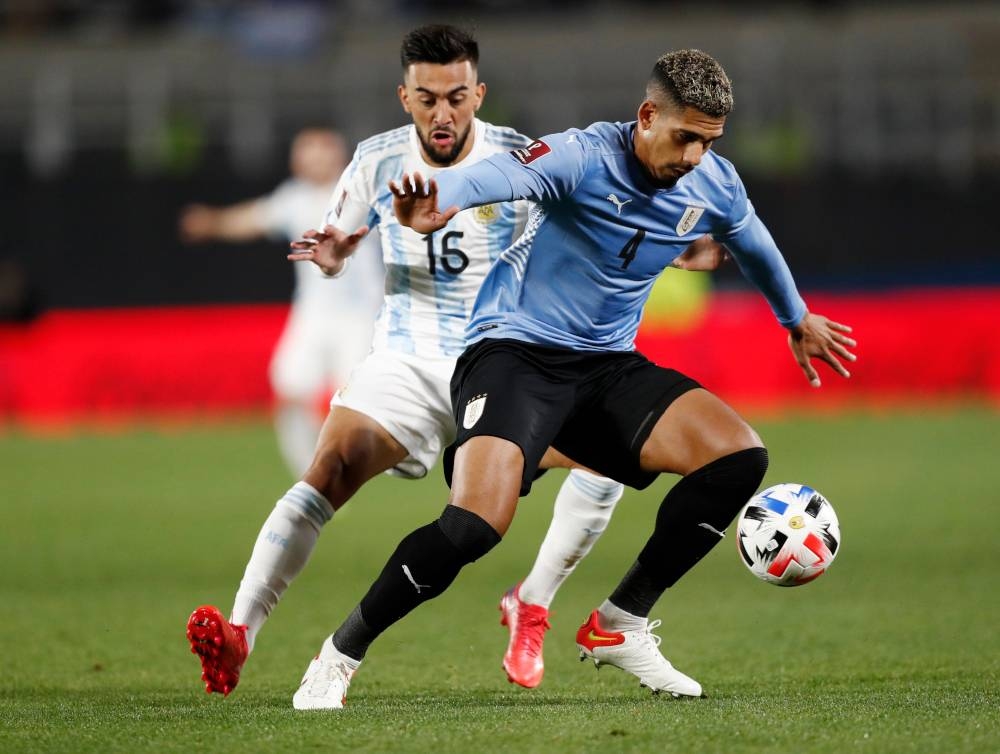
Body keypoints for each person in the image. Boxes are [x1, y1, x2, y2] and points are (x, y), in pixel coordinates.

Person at [289, 48, 858, 710]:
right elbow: (496, 176)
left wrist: (795, 318)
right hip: (513, 355)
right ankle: (339, 655)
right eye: (685, 138)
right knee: (474, 526)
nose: (696, 156)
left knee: (738, 457)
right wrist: (436, 203)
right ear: (647, 116)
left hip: (606, 367)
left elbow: (753, 241)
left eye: (708, 141)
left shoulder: (713, 182)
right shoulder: (580, 157)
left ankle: (621, 624)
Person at [185, 26, 721, 701]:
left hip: (510, 358)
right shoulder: (375, 161)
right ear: (405, 96)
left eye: (458, 98)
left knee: (607, 463)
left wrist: (677, 249)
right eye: (429, 98)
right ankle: (239, 633)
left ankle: (533, 602)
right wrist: (332, 256)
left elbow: (592, 220)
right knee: (326, 472)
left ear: (479, 95)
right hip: (409, 360)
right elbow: (341, 240)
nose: (444, 114)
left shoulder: (517, 156)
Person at [178, 129, 385, 477]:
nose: (315, 158)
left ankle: (349, 468)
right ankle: (310, 474)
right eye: (307, 151)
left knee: (353, 401)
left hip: (361, 315)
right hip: (314, 312)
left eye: (322, 150)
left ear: (339, 155)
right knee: (289, 389)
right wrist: (212, 223)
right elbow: (252, 219)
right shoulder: (294, 198)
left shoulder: (365, 192)